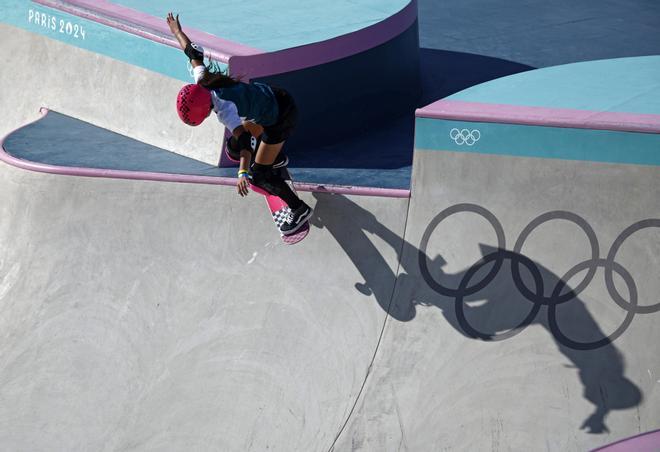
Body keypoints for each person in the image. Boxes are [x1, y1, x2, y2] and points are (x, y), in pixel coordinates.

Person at [166, 12, 313, 235]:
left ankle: (298, 208)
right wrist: (177, 32)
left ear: (203, 113)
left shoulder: (225, 109)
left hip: (281, 117)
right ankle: (274, 159)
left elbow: (245, 142)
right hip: (272, 98)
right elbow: (193, 53)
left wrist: (243, 173)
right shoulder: (202, 83)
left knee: (258, 177)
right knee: (232, 148)